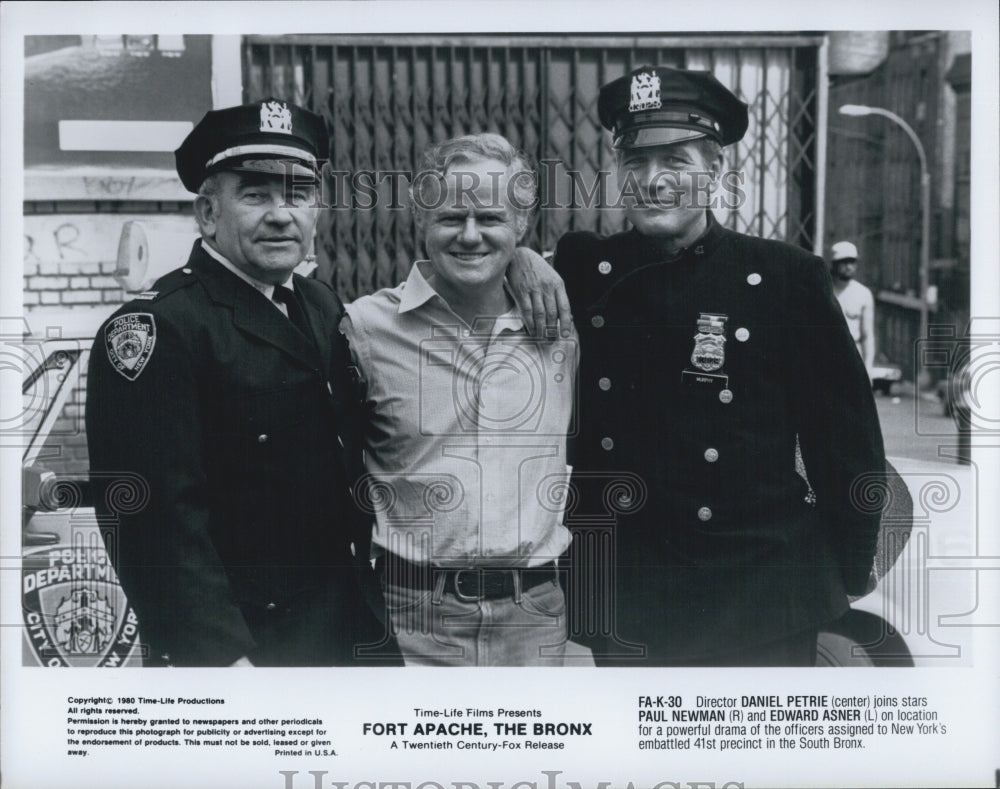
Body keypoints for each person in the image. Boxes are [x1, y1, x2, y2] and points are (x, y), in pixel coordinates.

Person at [512, 66, 886, 666]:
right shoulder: (584, 270)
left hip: (758, 593)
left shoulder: (785, 278)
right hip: (631, 594)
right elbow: (468, 270)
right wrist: (519, 256)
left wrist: (848, 568)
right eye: (635, 162)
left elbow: (845, 443)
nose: (653, 181)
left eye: (676, 162)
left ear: (715, 169)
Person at [86, 99, 397, 667]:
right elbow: (151, 523)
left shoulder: (319, 304)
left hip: (345, 630)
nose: (282, 215)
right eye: (255, 195)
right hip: (247, 650)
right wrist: (222, 662)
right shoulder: (161, 327)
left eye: (298, 194)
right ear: (208, 213)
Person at [341, 133, 577, 666]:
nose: (469, 235)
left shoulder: (564, 324)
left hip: (533, 617)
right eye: (451, 217)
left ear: (522, 226)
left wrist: (532, 261)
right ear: (421, 223)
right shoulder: (366, 328)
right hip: (410, 616)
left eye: (490, 218)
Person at [830, 240, 877, 376]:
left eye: (852, 262)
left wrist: (868, 368)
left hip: (853, 357)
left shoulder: (863, 294)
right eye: (844, 262)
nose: (849, 266)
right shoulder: (823, 290)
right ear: (834, 264)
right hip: (826, 355)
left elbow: (867, 335)